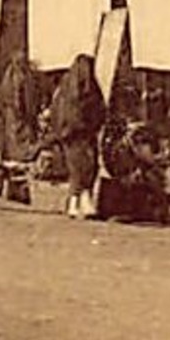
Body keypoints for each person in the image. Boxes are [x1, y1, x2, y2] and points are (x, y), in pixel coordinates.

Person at [49, 54, 106, 219]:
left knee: (88, 167)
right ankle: (76, 203)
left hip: (82, 134)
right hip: (75, 135)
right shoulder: (76, 89)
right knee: (79, 169)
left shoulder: (72, 88)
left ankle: (82, 202)